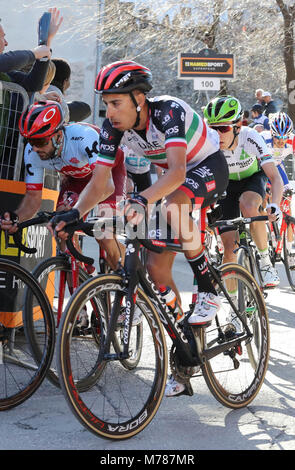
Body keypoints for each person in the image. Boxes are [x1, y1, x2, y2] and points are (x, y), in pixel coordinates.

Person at [48, 60, 230, 397]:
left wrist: (142, 200)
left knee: (175, 202)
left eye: (116, 102)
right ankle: (185, 351)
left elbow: (176, 173)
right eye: (106, 104)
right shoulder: (112, 128)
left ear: (138, 99)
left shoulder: (168, 113)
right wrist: (74, 213)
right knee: (155, 269)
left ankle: (208, 289)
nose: (110, 111)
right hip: (172, 181)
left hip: (206, 166)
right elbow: (100, 183)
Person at [0, 100, 126, 276]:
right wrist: (16, 218)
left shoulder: (84, 137)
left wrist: (76, 212)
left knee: (103, 233)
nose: (35, 148)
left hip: (110, 173)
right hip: (77, 179)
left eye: (40, 141)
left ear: (58, 136)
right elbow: (33, 198)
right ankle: (82, 285)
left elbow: (105, 186)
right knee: (61, 230)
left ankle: (127, 280)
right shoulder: (33, 152)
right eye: (30, 140)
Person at [203, 95, 283, 295]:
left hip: (252, 178)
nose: (218, 134)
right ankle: (234, 310)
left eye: (224, 128)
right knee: (229, 251)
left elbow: (274, 176)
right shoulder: (209, 143)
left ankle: (265, 261)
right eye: (213, 128)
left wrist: (275, 205)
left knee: (249, 207)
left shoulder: (250, 137)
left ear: (238, 125)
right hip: (226, 185)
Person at [261, 112, 295, 267]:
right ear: (272, 134)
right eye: (277, 138)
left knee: (287, 204)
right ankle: (267, 230)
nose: (281, 141)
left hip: (278, 167)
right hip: (263, 168)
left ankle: (290, 249)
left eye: (284, 138)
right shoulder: (264, 139)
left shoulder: (292, 141)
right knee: (264, 197)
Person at [0, 8, 62, 92]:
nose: (6, 42)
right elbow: (5, 61)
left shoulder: (5, 73)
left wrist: (46, 43)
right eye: (2, 37)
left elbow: (34, 84)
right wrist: (34, 54)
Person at [48, 57, 91, 122]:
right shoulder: (58, 100)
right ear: (65, 82)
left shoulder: (34, 94)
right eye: (69, 80)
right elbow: (85, 109)